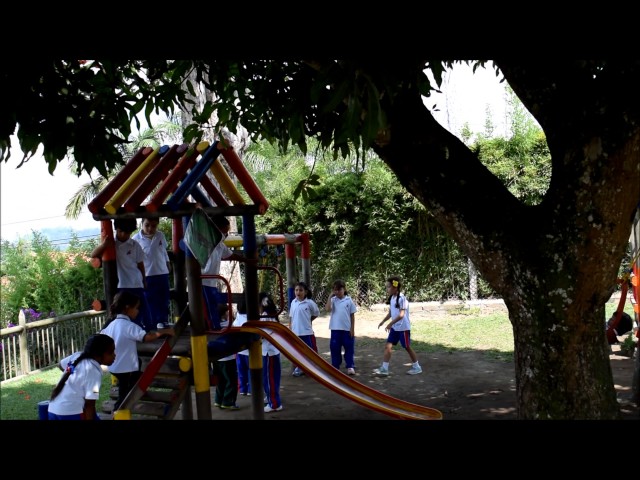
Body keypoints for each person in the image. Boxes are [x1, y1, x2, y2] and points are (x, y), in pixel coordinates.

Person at [100, 290, 175, 411]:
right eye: (136, 308)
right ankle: (119, 412)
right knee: (124, 396)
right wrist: (164, 332)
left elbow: (101, 335)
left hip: (114, 367)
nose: (138, 311)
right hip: (126, 369)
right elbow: (146, 337)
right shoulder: (129, 326)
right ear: (127, 308)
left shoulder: (112, 325)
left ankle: (133, 392)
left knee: (138, 365)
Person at [91, 218, 152, 331]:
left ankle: (149, 334)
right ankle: (134, 335)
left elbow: (140, 265)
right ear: (116, 230)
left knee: (144, 311)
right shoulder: (111, 245)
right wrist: (104, 245)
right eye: (121, 231)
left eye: (127, 232)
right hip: (122, 285)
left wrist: (144, 281)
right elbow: (93, 254)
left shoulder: (135, 245)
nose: (124, 234)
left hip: (137, 283)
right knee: (127, 313)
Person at [47, 333, 116, 420]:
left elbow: (61, 365)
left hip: (53, 409)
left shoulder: (77, 356)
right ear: (98, 354)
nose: (114, 355)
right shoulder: (94, 372)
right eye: (111, 352)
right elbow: (89, 405)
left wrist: (73, 376)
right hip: (71, 413)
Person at [201, 215, 253, 331]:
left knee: (212, 305)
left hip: (211, 281)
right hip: (202, 280)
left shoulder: (220, 245)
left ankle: (215, 327)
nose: (226, 235)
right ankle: (213, 328)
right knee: (207, 306)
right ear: (215, 230)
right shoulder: (204, 243)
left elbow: (231, 255)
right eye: (224, 232)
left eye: (227, 233)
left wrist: (247, 260)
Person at [373, 275, 423, 376]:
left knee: (407, 347)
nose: (387, 289)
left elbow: (401, 315)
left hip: (403, 328)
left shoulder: (402, 299)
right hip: (395, 328)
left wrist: (390, 324)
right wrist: (383, 321)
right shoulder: (392, 298)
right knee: (388, 346)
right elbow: (391, 312)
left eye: (388, 287)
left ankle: (417, 367)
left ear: (395, 287)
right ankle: (384, 368)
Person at [132, 218, 171, 328]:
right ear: (142, 224)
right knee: (150, 299)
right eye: (147, 225)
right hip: (147, 275)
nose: (150, 228)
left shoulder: (160, 235)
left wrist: (167, 262)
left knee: (164, 298)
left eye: (153, 226)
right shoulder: (135, 240)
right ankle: (152, 323)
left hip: (162, 272)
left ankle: (163, 321)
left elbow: (163, 251)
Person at [325, 279, 358, 375]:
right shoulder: (333, 300)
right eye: (335, 290)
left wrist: (352, 329)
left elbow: (352, 315)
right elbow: (327, 309)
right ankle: (335, 366)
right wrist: (330, 296)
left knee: (349, 348)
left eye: (340, 289)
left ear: (344, 289)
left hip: (347, 330)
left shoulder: (349, 300)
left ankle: (350, 366)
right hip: (335, 330)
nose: (337, 292)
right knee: (335, 348)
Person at [288, 281, 320, 377]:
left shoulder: (309, 303)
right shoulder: (293, 302)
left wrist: (308, 320)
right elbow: (291, 316)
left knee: (309, 351)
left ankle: (312, 368)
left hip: (306, 332)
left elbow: (316, 313)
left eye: (301, 290)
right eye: (296, 290)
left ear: (305, 292)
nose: (298, 292)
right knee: (297, 352)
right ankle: (300, 368)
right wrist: (290, 327)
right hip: (295, 333)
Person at [211, 303, 240, 410]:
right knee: (231, 380)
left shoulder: (215, 325)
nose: (229, 313)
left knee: (221, 380)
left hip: (216, 358)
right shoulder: (229, 324)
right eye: (228, 311)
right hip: (228, 358)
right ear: (224, 314)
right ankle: (228, 401)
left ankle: (218, 400)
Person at [260, 292, 283, 412]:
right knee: (273, 378)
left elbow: (263, 335)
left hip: (268, 351)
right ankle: (272, 398)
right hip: (272, 351)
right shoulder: (272, 315)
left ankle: (274, 404)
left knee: (269, 378)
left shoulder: (264, 316)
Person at [234, 295, 251, 396]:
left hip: (239, 349)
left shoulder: (238, 316)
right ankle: (250, 389)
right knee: (250, 370)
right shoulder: (250, 318)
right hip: (249, 349)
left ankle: (243, 388)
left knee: (241, 370)